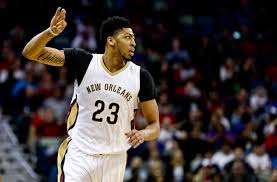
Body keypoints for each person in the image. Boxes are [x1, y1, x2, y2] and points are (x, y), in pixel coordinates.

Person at [22, 7, 160, 182]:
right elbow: (30, 53)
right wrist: (50, 32)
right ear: (111, 41)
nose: (133, 42)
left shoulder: (141, 77)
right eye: (127, 37)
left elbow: (155, 126)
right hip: (80, 154)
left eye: (133, 38)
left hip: (115, 157)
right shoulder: (84, 61)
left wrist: (143, 134)